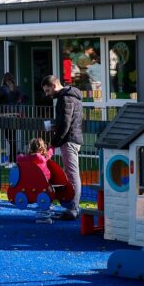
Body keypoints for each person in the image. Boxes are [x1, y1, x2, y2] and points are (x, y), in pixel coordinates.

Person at [41, 75, 84, 221]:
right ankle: (72, 207)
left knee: (72, 175)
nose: (47, 94)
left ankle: (73, 208)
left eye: (47, 90)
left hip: (69, 140)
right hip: (73, 137)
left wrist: (53, 142)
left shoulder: (65, 99)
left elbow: (65, 124)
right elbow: (66, 122)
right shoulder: (72, 96)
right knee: (71, 173)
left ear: (54, 85)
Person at [0, 72, 25, 164]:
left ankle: (12, 160)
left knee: (10, 139)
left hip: (5, 116)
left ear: (4, 80)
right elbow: (22, 100)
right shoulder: (17, 89)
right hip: (15, 115)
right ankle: (12, 159)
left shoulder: (3, 89)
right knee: (12, 139)